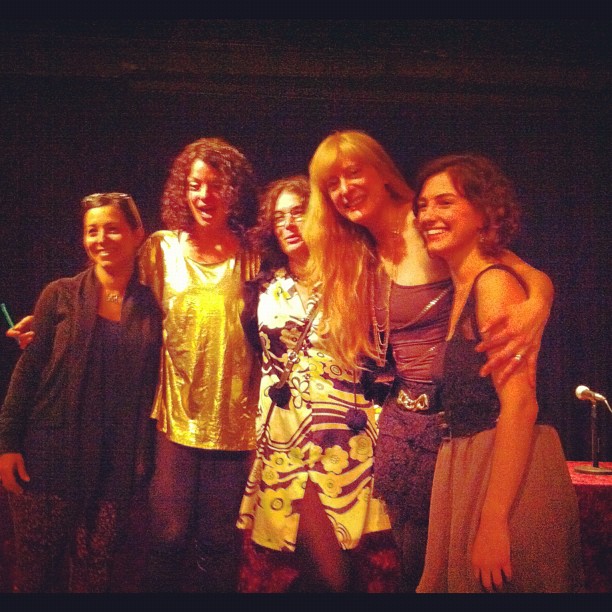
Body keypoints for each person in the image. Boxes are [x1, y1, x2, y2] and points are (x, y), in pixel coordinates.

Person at [301, 130, 555, 592]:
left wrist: (540, 301)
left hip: (454, 429)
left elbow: (516, 270)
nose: (344, 190)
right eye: (331, 183)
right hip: (401, 431)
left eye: (353, 173)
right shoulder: (355, 249)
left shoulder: (427, 222)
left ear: (383, 174)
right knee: (416, 570)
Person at [412, 153, 583, 592]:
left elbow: (520, 405)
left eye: (445, 202)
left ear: (483, 214)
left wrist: (493, 521)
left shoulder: (493, 284)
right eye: (423, 205)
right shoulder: (464, 285)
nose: (428, 215)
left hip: (506, 475)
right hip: (468, 467)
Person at [0, 192, 162, 592]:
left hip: (114, 464)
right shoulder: (60, 294)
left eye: (112, 229)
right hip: (48, 457)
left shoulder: (153, 307)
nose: (101, 239)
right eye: (92, 231)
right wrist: (7, 444)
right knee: (36, 571)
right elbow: (28, 372)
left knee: (95, 571)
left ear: (137, 234)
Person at [237, 176, 391, 592]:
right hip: (285, 442)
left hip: (349, 442)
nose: (288, 224)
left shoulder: (357, 276)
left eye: (299, 213)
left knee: (356, 564)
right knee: (321, 571)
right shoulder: (261, 289)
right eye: (279, 217)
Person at [138, 137, 260, 593]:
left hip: (237, 422)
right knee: (167, 536)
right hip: (176, 420)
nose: (204, 195)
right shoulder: (161, 249)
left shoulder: (254, 254)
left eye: (216, 185)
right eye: (195, 185)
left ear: (235, 192)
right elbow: (113, 296)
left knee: (217, 542)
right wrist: (54, 322)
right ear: (182, 190)